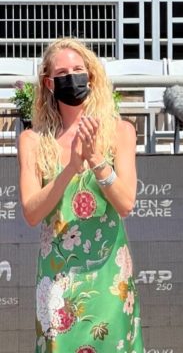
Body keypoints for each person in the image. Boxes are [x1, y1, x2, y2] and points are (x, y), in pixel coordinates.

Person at [17, 38, 143, 353]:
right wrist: (71, 168)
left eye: (77, 69)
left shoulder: (120, 132)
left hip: (109, 280)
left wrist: (98, 162)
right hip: (57, 281)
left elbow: (126, 203)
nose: (71, 77)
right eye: (62, 72)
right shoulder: (32, 140)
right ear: (48, 83)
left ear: (91, 75)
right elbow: (32, 213)